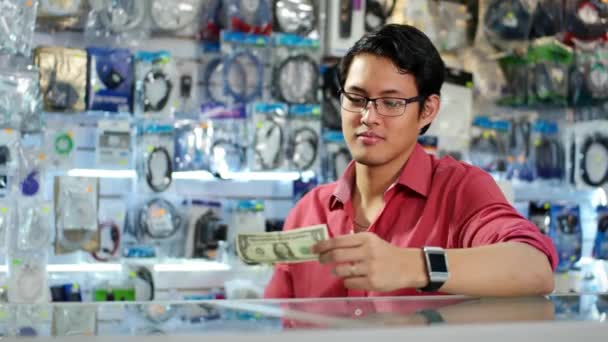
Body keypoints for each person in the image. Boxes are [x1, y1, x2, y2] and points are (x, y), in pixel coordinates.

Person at [264, 24, 557, 299]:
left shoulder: (459, 190)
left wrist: (414, 266)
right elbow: (278, 322)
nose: (368, 117)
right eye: (356, 98)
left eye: (391, 103)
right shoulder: (308, 211)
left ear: (428, 111)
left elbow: (534, 268)